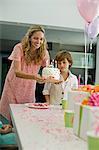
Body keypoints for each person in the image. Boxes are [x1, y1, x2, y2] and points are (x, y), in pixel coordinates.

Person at [0, 25, 61, 122]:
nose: (38, 42)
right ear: (29, 38)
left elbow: (47, 72)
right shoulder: (19, 48)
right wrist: (35, 77)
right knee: (10, 116)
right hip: (13, 86)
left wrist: (53, 80)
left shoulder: (44, 53)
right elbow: (17, 72)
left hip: (28, 88)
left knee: (25, 116)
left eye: (41, 39)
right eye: (35, 38)